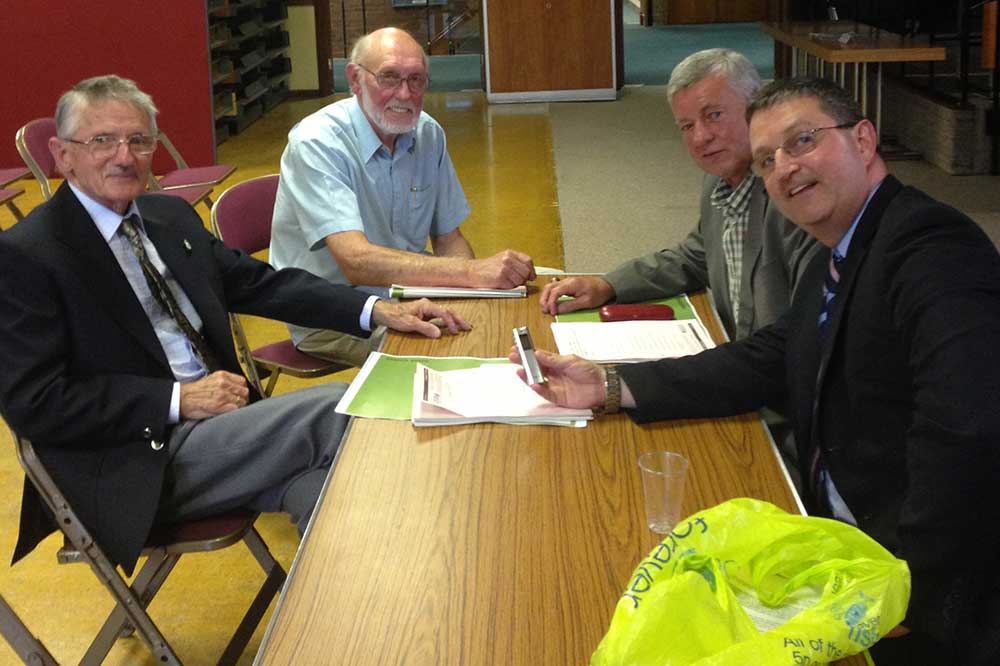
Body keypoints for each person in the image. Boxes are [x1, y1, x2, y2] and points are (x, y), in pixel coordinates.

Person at [513, 78, 1000, 664]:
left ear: (864, 140)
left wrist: (913, 592)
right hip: (834, 544)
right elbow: (768, 357)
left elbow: (966, 430)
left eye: (803, 141)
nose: (785, 168)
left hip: (916, 593)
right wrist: (611, 384)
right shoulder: (839, 251)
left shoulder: (933, 247)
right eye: (767, 159)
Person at [0, 74, 470, 576]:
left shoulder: (167, 217)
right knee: (340, 409)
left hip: (224, 430)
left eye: (139, 140)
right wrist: (177, 399)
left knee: (325, 491)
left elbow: (262, 284)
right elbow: (36, 402)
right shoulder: (29, 254)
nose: (124, 156)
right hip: (134, 461)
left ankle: (365, 607)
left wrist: (376, 310)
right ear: (63, 155)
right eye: (102, 141)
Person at [270, 27, 536, 367]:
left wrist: (469, 296)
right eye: (389, 77)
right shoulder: (317, 142)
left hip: (409, 293)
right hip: (335, 313)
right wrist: (471, 273)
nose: (405, 94)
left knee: (507, 317)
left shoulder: (427, 133)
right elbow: (355, 262)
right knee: (453, 355)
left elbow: (449, 239)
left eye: (416, 80)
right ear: (355, 79)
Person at [539, 48, 819, 344]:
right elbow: (695, 258)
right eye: (687, 125)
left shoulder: (795, 195)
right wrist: (607, 285)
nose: (701, 137)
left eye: (714, 115)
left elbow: (802, 338)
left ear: (757, 107)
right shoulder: (717, 181)